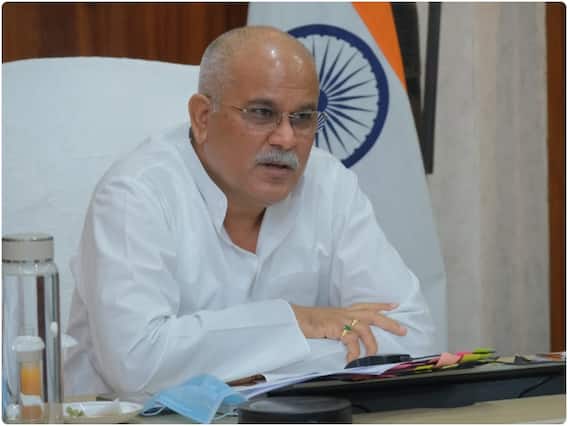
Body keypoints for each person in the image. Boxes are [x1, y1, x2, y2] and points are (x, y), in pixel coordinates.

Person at [64, 26, 436, 400]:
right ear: (203, 117)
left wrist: (256, 372)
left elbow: (412, 336)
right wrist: (299, 321)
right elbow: (138, 364)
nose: (286, 138)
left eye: (303, 117)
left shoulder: (329, 183)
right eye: (262, 113)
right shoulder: (135, 194)